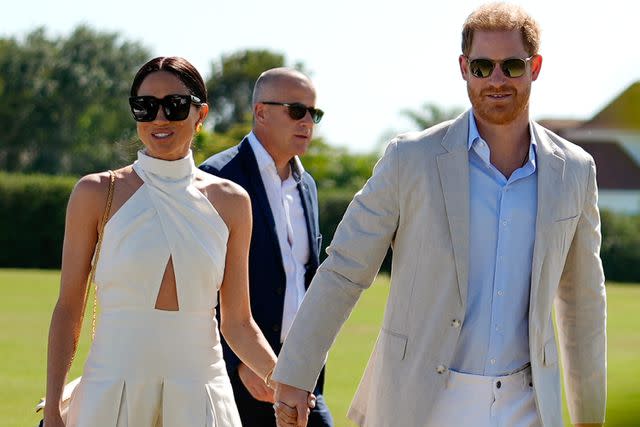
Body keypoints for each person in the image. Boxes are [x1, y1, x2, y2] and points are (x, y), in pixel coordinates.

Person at [273, 3, 606, 427]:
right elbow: (344, 269)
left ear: (535, 67)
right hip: (422, 402)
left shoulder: (575, 170)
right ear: (464, 68)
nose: (497, 80)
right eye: (483, 66)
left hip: (528, 406)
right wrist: (296, 374)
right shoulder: (409, 159)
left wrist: (590, 416)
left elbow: (583, 302)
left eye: (511, 66)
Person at [43, 56, 278, 427]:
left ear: (201, 115)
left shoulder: (232, 201)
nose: (159, 118)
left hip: (201, 392)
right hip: (111, 392)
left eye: (175, 105)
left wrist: (282, 381)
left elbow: (238, 322)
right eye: (145, 107)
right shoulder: (95, 192)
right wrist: (55, 404)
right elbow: (69, 308)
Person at [199, 68, 334, 427]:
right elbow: (198, 284)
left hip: (302, 376)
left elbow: (305, 279)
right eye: (296, 110)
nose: (307, 121)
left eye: (313, 113)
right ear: (260, 112)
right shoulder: (216, 178)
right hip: (237, 382)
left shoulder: (308, 187)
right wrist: (238, 361)